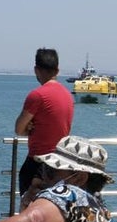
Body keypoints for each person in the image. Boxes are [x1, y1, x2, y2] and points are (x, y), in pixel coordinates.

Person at [14, 48, 74, 201]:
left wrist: (28, 128)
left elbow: (18, 129)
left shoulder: (37, 95)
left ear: (36, 69)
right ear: (57, 70)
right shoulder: (68, 96)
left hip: (38, 163)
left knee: (29, 212)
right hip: (61, 164)